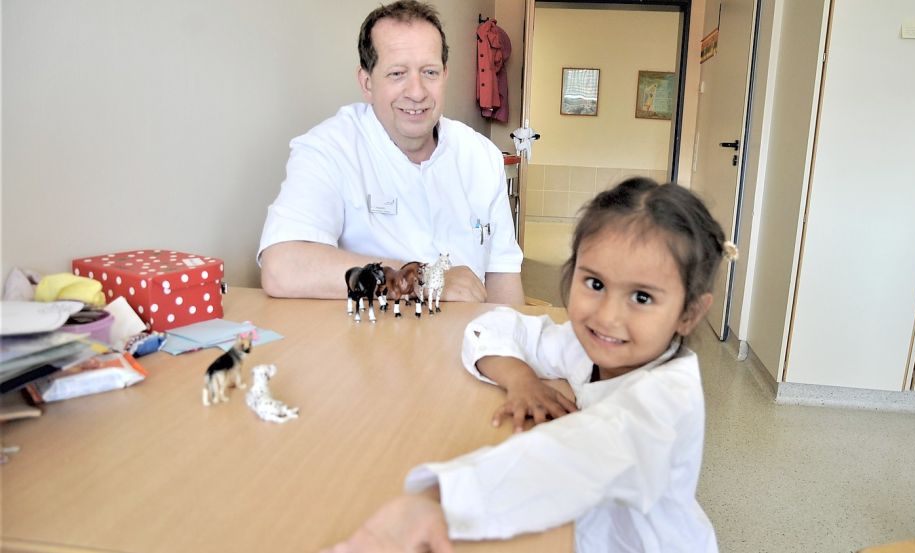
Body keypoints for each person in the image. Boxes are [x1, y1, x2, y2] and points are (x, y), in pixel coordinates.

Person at [325, 178, 736, 553]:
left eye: (642, 297)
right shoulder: (585, 347)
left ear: (689, 313)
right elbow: (494, 325)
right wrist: (521, 380)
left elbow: (562, 460)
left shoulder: (663, 404)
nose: (607, 316)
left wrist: (433, 502)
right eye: (594, 284)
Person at [258, 1, 524, 305]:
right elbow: (283, 266)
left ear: (445, 75)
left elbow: (503, 278)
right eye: (397, 73)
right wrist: (420, 280)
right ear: (367, 82)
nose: (417, 91)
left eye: (430, 72)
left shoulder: (481, 156)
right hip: (368, 344)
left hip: (464, 342)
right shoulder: (329, 148)